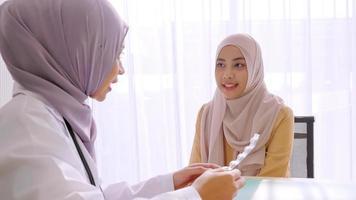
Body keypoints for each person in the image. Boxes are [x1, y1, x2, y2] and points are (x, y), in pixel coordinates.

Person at [0, 0, 245, 199]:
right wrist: (196, 196)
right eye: (113, 53)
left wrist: (170, 184)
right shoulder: (26, 127)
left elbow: (92, 196)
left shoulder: (49, 115)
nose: (120, 69)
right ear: (77, 51)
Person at [189, 33, 294, 177]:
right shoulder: (206, 114)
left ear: (254, 68)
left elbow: (272, 179)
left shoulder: (279, 115)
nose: (227, 74)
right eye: (221, 65)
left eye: (238, 65)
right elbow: (194, 176)